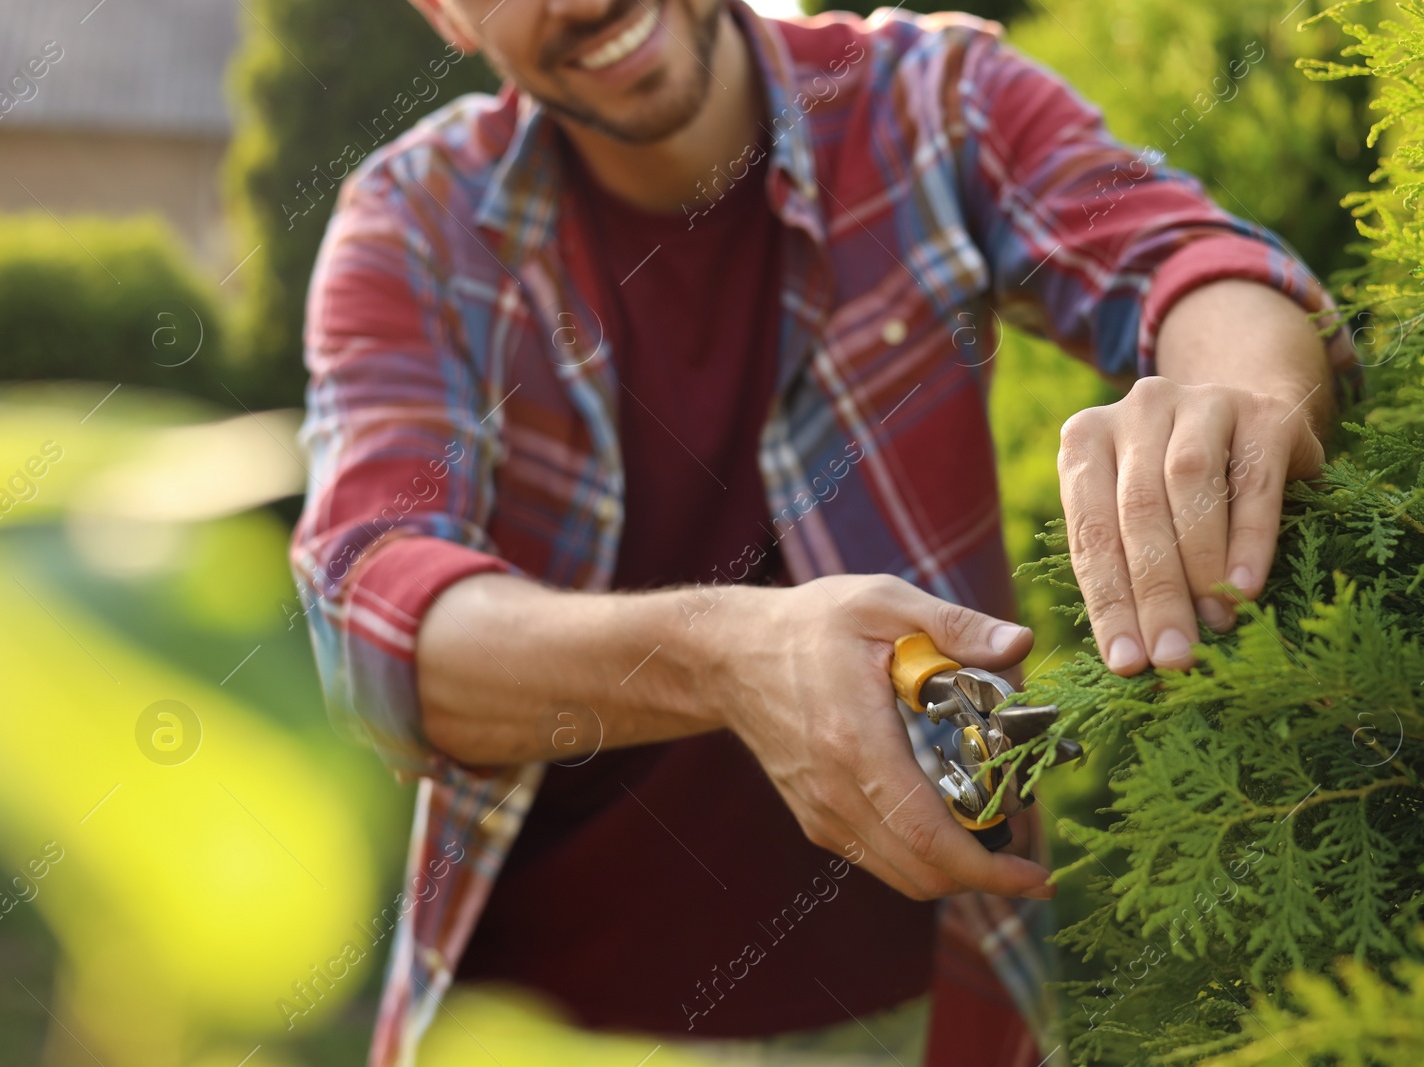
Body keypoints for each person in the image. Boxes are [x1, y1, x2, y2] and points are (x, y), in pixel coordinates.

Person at [289, 0, 1358, 1062]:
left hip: (913, 1016)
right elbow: (372, 616)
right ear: (447, 14)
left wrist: (1229, 405)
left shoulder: (929, 103)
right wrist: (722, 655)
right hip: (521, 1034)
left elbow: (1193, 261)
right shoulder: (413, 227)